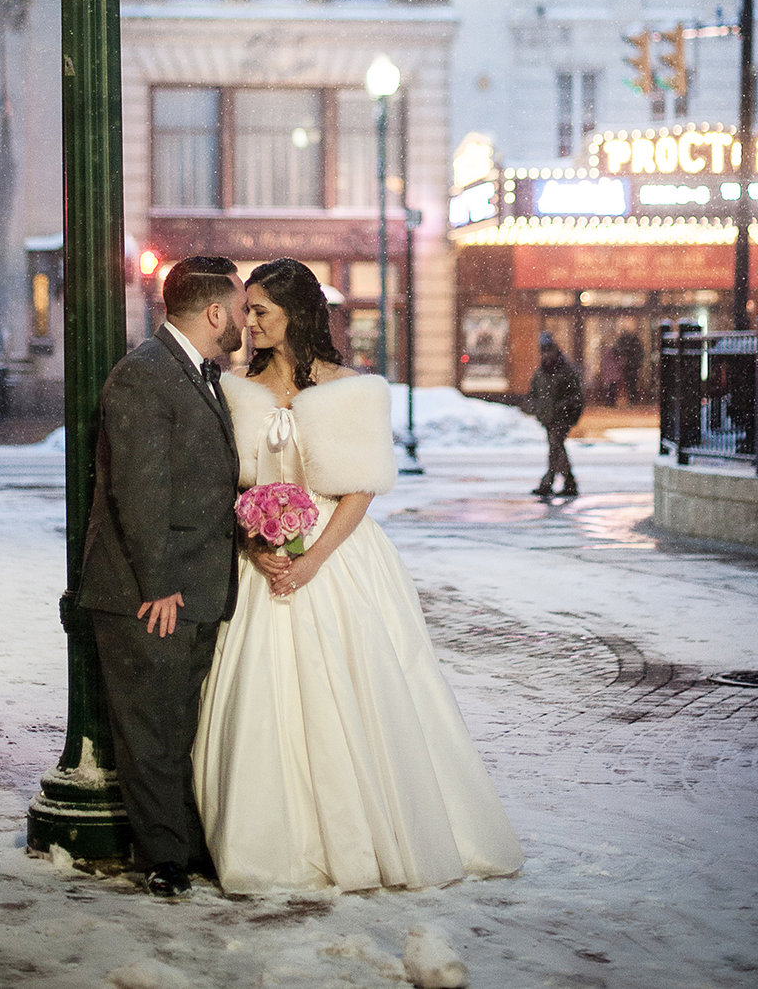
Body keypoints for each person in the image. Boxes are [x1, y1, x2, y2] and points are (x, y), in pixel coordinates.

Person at [192, 258, 523, 895]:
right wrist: (255, 544)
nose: (248, 321)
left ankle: (373, 833)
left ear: (297, 314)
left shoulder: (354, 389)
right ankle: (269, 842)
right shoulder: (233, 389)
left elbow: (361, 489)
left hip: (337, 556)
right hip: (262, 558)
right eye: (246, 309)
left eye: (261, 310)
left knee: (356, 689)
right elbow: (226, 484)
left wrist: (313, 560)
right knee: (262, 695)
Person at [78, 255, 247, 900]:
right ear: (213, 313)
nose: (242, 322)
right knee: (150, 727)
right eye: (237, 308)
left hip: (190, 586)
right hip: (152, 593)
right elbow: (138, 489)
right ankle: (164, 860)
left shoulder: (195, 373)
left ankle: (180, 845)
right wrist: (159, 584)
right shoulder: (145, 376)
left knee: (177, 723)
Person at [525, 331, 584, 499]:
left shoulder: (565, 371)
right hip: (548, 417)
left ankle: (553, 482)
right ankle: (565, 482)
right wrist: (537, 408)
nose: (546, 354)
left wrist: (562, 408)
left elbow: (575, 396)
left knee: (555, 448)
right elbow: (534, 393)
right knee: (556, 449)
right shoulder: (542, 372)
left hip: (562, 417)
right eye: (543, 351)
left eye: (548, 350)